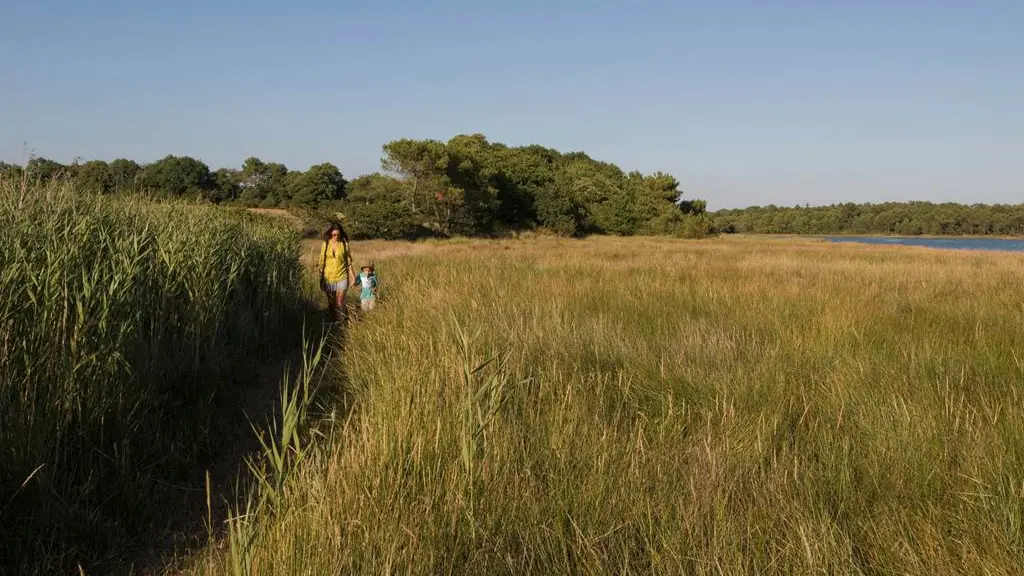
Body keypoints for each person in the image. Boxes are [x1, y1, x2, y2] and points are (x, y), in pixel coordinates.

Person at [317, 223, 356, 322]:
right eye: (334, 235)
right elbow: (321, 263)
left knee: (339, 303)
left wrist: (353, 278)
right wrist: (321, 279)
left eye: (338, 235)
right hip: (328, 278)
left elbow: (348, 263)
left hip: (342, 277)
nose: (336, 237)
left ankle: (341, 323)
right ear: (330, 234)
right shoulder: (325, 244)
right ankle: (333, 321)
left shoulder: (344, 244)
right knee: (331, 304)